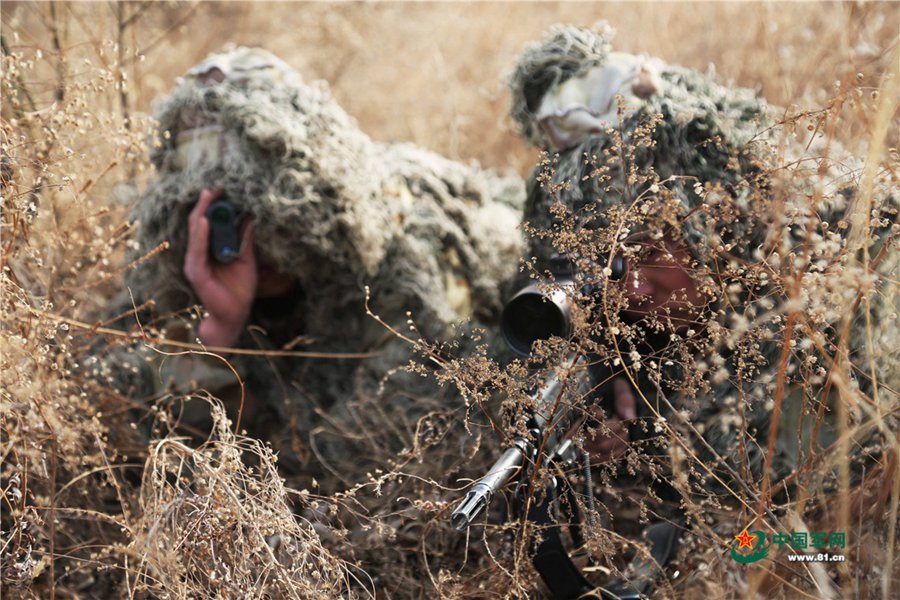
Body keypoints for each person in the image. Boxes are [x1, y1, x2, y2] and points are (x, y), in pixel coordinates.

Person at [505, 24, 896, 594]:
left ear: (714, 228)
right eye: (609, 272)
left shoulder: (810, 305)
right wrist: (613, 396)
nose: (632, 290)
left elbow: (818, 533)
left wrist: (722, 531)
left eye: (643, 253)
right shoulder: (656, 295)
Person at [93, 46, 525, 481]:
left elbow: (358, 458)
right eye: (228, 215)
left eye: (276, 209)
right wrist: (216, 334)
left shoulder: (400, 263)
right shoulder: (181, 266)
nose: (255, 241)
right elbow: (147, 432)